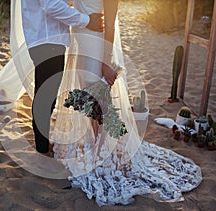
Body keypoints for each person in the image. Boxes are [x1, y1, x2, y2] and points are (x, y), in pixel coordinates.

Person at [51, 0, 203, 206]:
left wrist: (106, 63)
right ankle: (96, 146)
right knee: (87, 98)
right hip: (80, 43)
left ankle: (101, 152)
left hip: (96, 45)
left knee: (98, 101)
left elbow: (111, 23)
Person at [21, 0, 104, 154]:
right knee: (46, 97)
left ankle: (42, 143)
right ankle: (42, 147)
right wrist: (86, 21)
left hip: (46, 39)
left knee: (47, 95)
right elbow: (52, 5)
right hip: (47, 40)